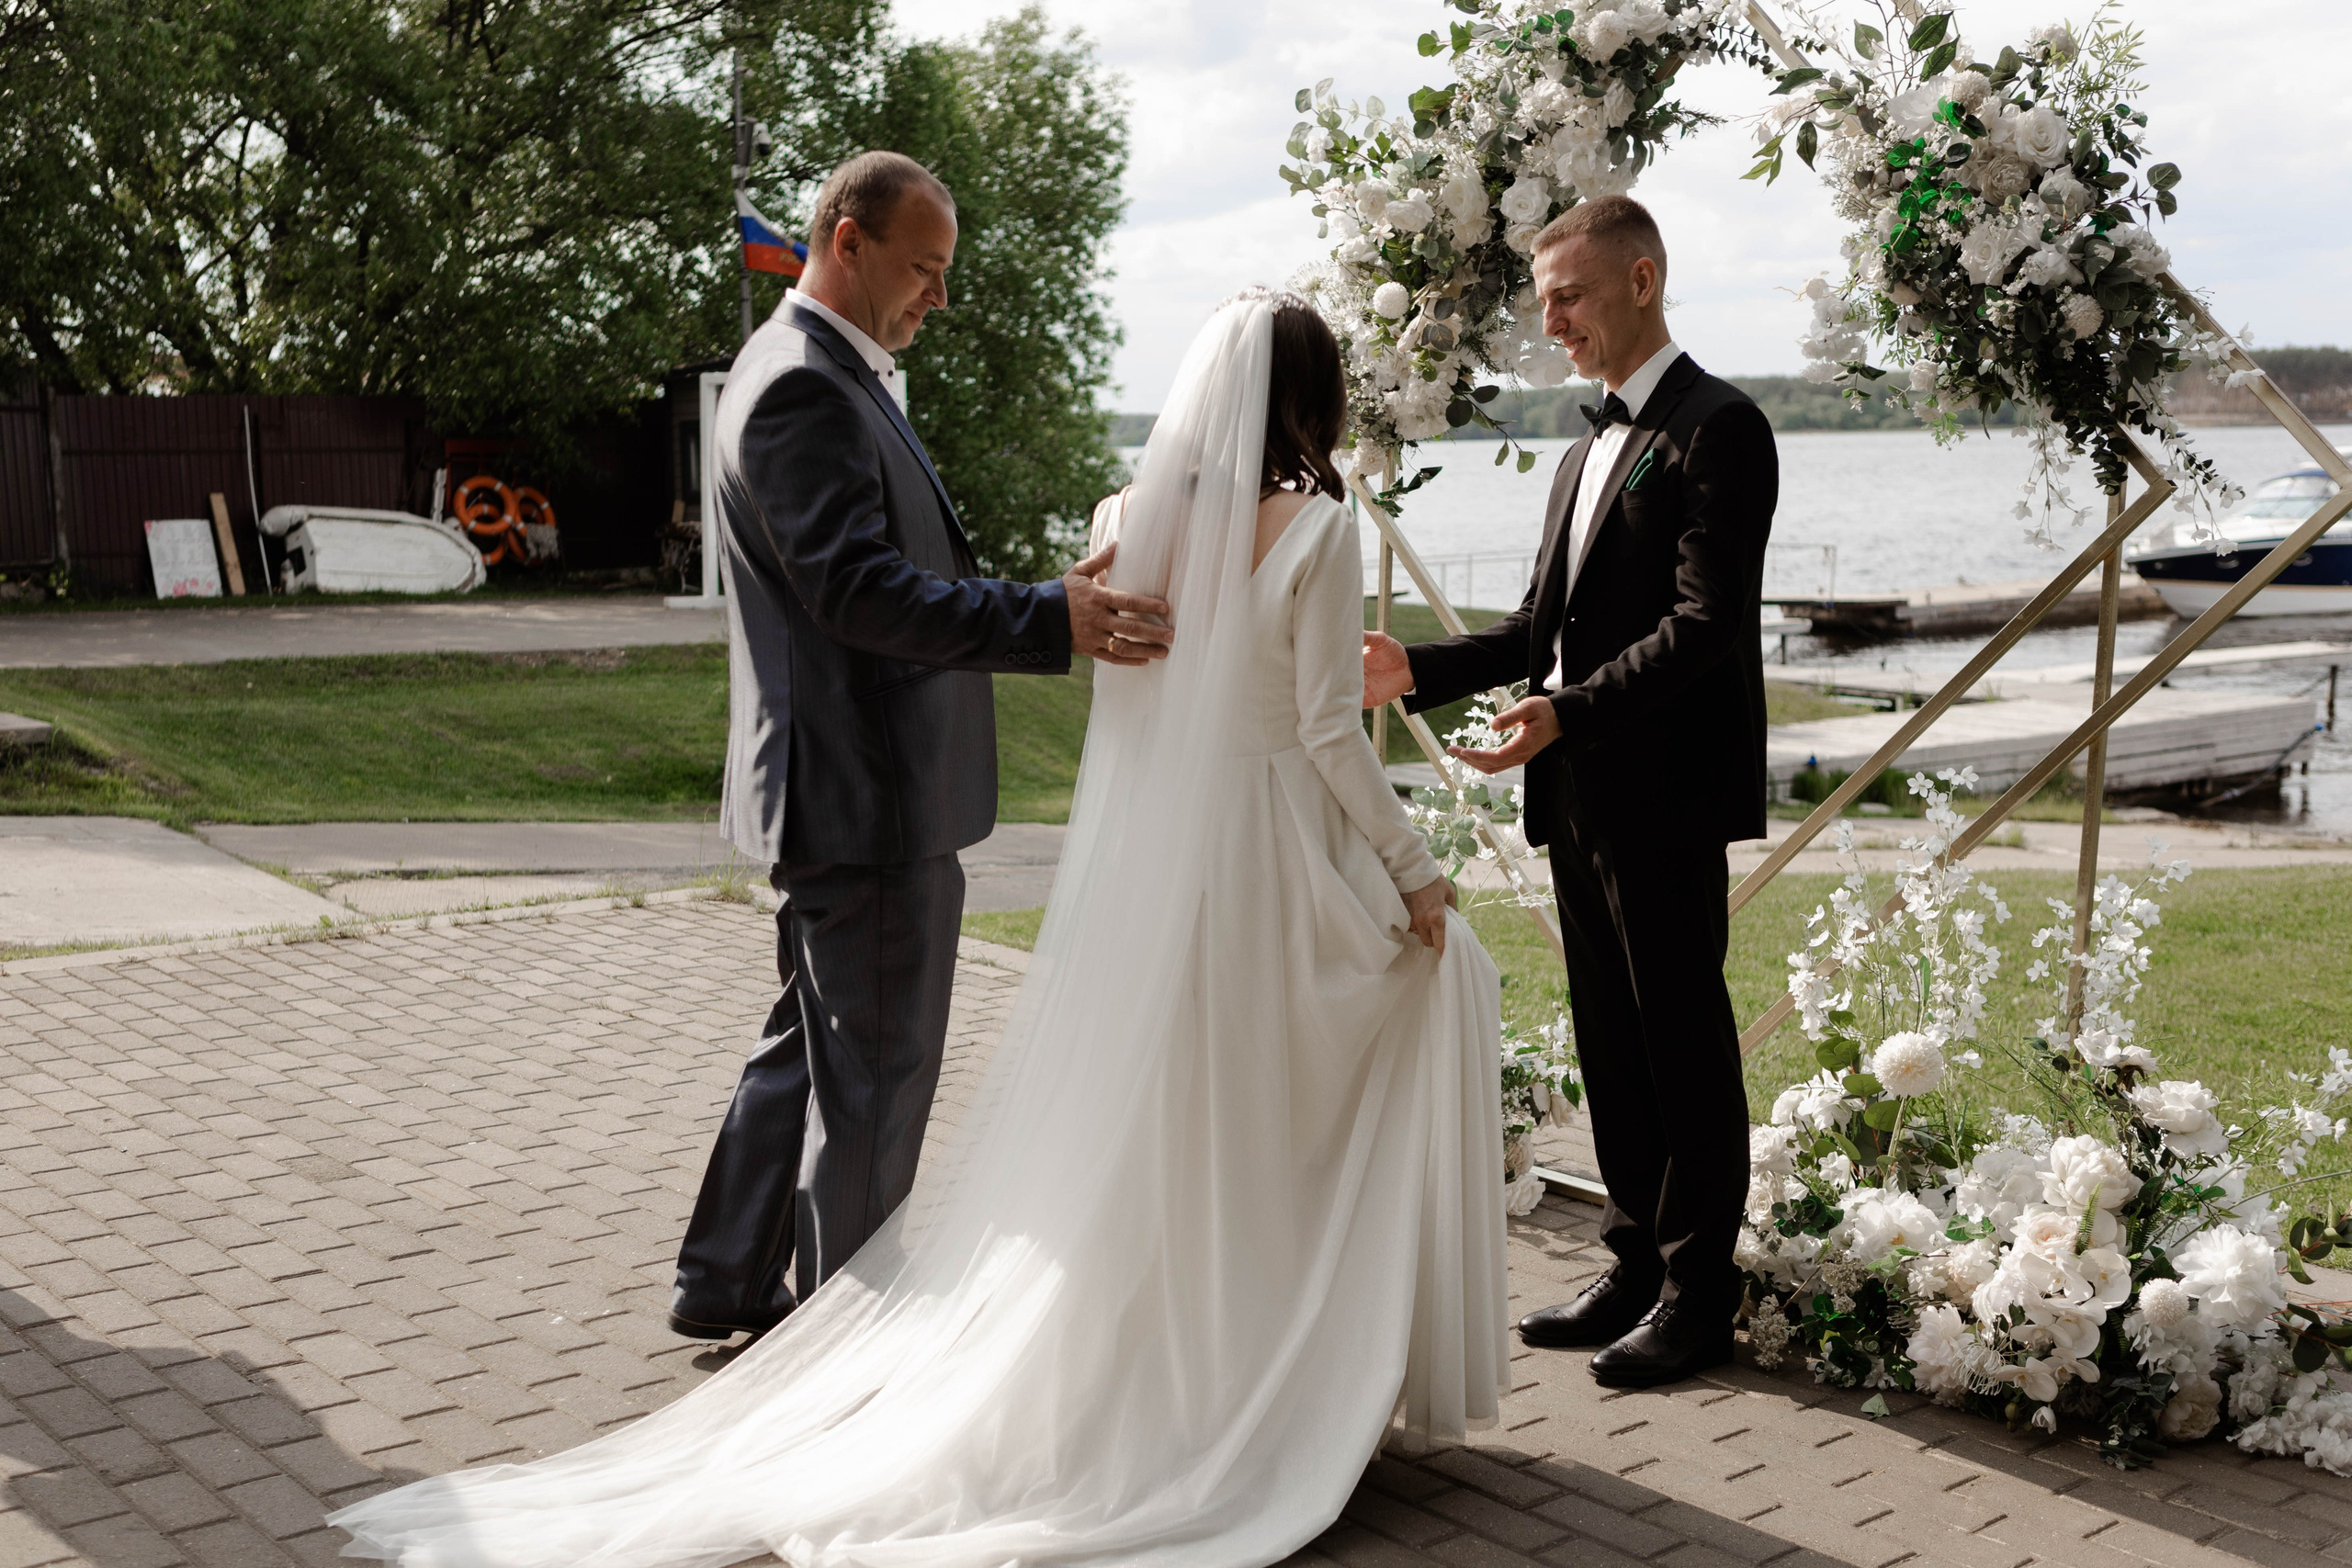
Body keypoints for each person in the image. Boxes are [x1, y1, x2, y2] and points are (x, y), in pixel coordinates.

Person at [328, 288, 1510, 1568]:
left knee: (1163, 1123)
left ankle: (1173, 1370)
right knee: (1322, 1077)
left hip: (1163, 870)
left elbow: (1136, 714)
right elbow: (1330, 731)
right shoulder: (1320, 529)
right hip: (1279, 856)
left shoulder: (1120, 522)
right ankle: (1273, 1377)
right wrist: (1413, 872)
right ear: (1311, 400)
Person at [665, 151, 1175, 1344]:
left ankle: (725, 1281)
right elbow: (855, 591)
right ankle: (844, 1349)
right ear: (847, 241)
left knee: (810, 1051)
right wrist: (1044, 617)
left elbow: (887, 569)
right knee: (877, 1083)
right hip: (868, 799)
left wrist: (1040, 596)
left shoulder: (815, 369)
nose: (939, 297)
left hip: (841, 793)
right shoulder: (803, 386)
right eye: (925, 268)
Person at [1364, 194, 1778, 1390]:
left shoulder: (1721, 427)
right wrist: (1415, 669)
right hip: (1581, 792)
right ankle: (1635, 1265)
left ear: (1642, 281)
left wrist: (1569, 712)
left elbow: (1705, 625)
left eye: (1570, 297)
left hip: (1669, 791)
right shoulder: (1581, 449)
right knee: (1613, 1041)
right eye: (1545, 301)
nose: (1551, 323)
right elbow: (1539, 627)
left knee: (1683, 1044)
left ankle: (1700, 1296)